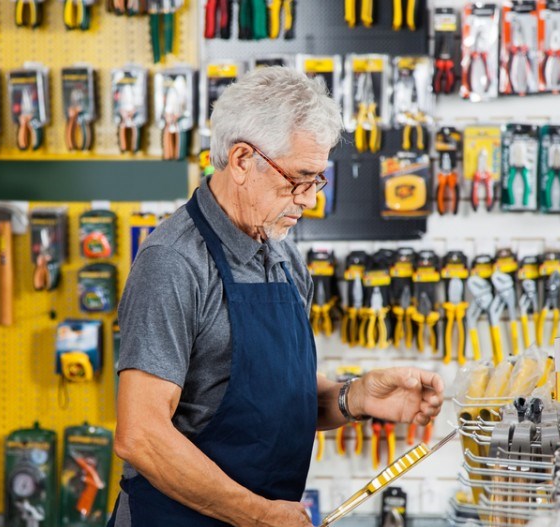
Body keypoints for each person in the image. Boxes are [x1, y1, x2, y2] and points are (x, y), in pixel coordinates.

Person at [109, 67, 444, 527]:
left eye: (317, 180)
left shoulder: (284, 255)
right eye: (299, 178)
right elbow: (140, 434)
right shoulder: (173, 261)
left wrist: (354, 397)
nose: (309, 199)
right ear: (243, 160)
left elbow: (268, 401)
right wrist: (257, 515)